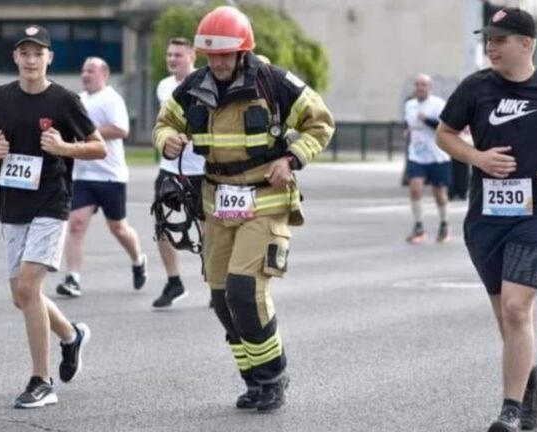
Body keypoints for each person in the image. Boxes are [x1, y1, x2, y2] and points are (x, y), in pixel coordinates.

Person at [152, 6, 334, 411]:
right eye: (210, 54)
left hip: (266, 200)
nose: (217, 62)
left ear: (242, 52)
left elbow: (320, 122)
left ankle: (273, 378)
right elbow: (164, 122)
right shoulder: (193, 87)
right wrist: (166, 140)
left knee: (245, 289)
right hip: (217, 202)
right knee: (220, 298)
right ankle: (254, 379)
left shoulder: (274, 81)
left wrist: (291, 159)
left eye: (225, 54)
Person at [436, 8, 537, 431]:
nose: (491, 46)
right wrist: (477, 157)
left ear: (526, 44)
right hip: (485, 217)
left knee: (515, 306)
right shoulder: (475, 88)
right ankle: (532, 383)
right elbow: (445, 134)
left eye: (500, 39)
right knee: (504, 314)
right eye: (488, 39)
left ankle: (510, 410)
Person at [0, 25, 106, 408]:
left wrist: (65, 146)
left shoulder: (64, 100)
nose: (31, 60)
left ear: (49, 58)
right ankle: (71, 336)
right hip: (12, 204)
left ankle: (41, 381)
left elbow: (98, 147)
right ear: (15, 57)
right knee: (21, 296)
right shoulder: (1, 97)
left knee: (29, 288)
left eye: (39, 53)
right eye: (25, 53)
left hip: (52, 202)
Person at [54, 57, 146, 297]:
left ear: (104, 74)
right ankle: (73, 278)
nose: (85, 75)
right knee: (76, 224)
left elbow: (120, 129)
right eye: (83, 70)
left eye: (91, 71)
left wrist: (87, 134)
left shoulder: (112, 99)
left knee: (118, 227)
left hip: (110, 176)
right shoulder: (79, 100)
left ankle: (138, 260)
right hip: (83, 174)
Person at [151, 37, 204, 308]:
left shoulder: (204, 84)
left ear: (192, 56)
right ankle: (175, 283)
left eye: (178, 55)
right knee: (162, 224)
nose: (172, 59)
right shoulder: (164, 86)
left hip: (201, 170)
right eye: (170, 55)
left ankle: (216, 284)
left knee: (208, 229)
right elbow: (165, 123)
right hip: (170, 168)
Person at [403, 73, 452, 244]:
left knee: (439, 194)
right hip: (416, 155)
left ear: (430, 87)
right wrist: (407, 130)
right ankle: (418, 226)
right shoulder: (410, 105)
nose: (419, 88)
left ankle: (444, 224)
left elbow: (446, 127)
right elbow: (408, 122)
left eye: (423, 85)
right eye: (417, 84)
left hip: (437, 156)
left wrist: (427, 120)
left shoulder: (438, 105)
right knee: (415, 189)